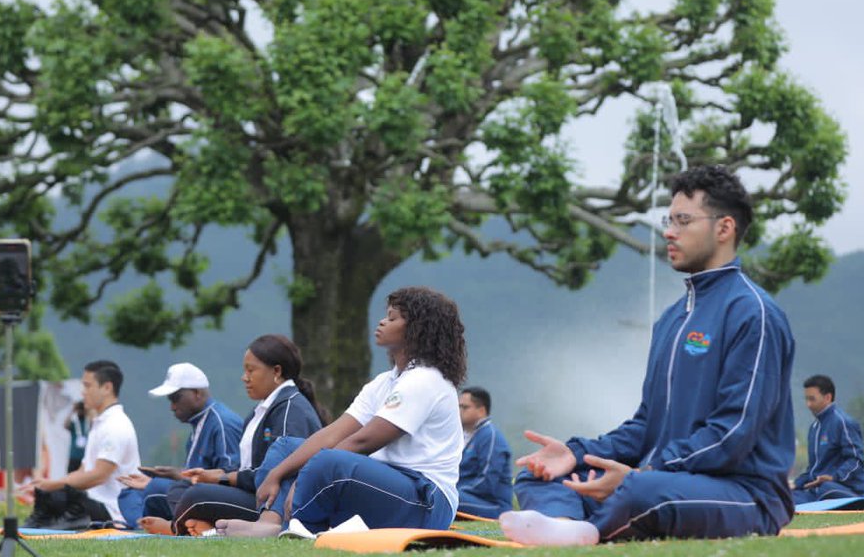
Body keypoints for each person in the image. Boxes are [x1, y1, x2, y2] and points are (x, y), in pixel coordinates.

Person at [503, 165, 796, 546]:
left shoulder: (753, 313)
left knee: (643, 491)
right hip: (663, 479)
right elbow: (646, 426)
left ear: (724, 228)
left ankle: (589, 529)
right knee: (540, 472)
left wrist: (641, 473)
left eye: (683, 221)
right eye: (668, 220)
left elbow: (731, 435)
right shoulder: (672, 319)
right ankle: (567, 526)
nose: (668, 232)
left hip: (743, 493)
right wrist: (576, 454)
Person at [216, 286, 467, 538]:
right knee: (286, 448)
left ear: (417, 329)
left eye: (392, 318)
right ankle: (270, 522)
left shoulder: (425, 379)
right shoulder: (384, 382)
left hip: (425, 501)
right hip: (386, 484)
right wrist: (276, 473)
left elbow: (363, 441)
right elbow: (331, 435)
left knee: (329, 461)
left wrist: (306, 474)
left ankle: (294, 526)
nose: (381, 322)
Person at [136, 334, 327, 534]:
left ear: (276, 371)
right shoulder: (259, 411)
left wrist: (223, 479)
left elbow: (277, 473)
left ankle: (178, 528)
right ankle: (203, 526)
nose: (244, 377)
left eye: (251, 370)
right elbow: (247, 466)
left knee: (195, 496)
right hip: (253, 490)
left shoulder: (290, 409)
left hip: (272, 502)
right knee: (180, 489)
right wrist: (216, 475)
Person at [115, 362, 244, 528]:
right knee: (129, 493)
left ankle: (145, 527)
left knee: (152, 491)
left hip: (212, 498)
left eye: (176, 399)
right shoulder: (199, 424)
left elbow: (229, 477)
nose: (172, 407)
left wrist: (157, 483)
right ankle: (146, 525)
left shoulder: (222, 423)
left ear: (197, 393)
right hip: (192, 491)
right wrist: (173, 474)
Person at [22, 360, 140, 530]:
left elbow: (99, 475)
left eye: (87, 386)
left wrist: (54, 484)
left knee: (63, 491)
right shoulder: (99, 423)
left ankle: (64, 525)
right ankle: (39, 525)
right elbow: (84, 470)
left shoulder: (116, 425)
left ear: (107, 388)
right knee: (48, 494)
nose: (82, 392)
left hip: (112, 509)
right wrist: (47, 485)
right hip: (92, 500)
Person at [791, 375, 864, 503]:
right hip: (818, 489)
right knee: (785, 496)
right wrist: (795, 484)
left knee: (826, 488)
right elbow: (813, 469)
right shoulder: (814, 428)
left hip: (844, 489)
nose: (808, 404)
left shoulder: (843, 422)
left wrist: (833, 478)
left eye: (812, 399)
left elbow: (856, 460)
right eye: (806, 399)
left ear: (827, 397)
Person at [456, 386, 513, 517]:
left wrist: (455, 491)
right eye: (458, 407)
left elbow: (487, 481)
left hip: (493, 505)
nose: (459, 411)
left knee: (441, 496)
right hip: (468, 497)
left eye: (464, 407)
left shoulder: (490, 436)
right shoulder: (466, 436)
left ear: (481, 411)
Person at [66, 401, 90, 473]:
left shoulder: (88, 422)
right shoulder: (75, 423)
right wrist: (72, 411)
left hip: (85, 458)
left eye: (82, 409)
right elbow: (65, 425)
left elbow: (95, 420)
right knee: (70, 480)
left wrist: (88, 410)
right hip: (73, 457)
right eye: (79, 410)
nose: (80, 412)